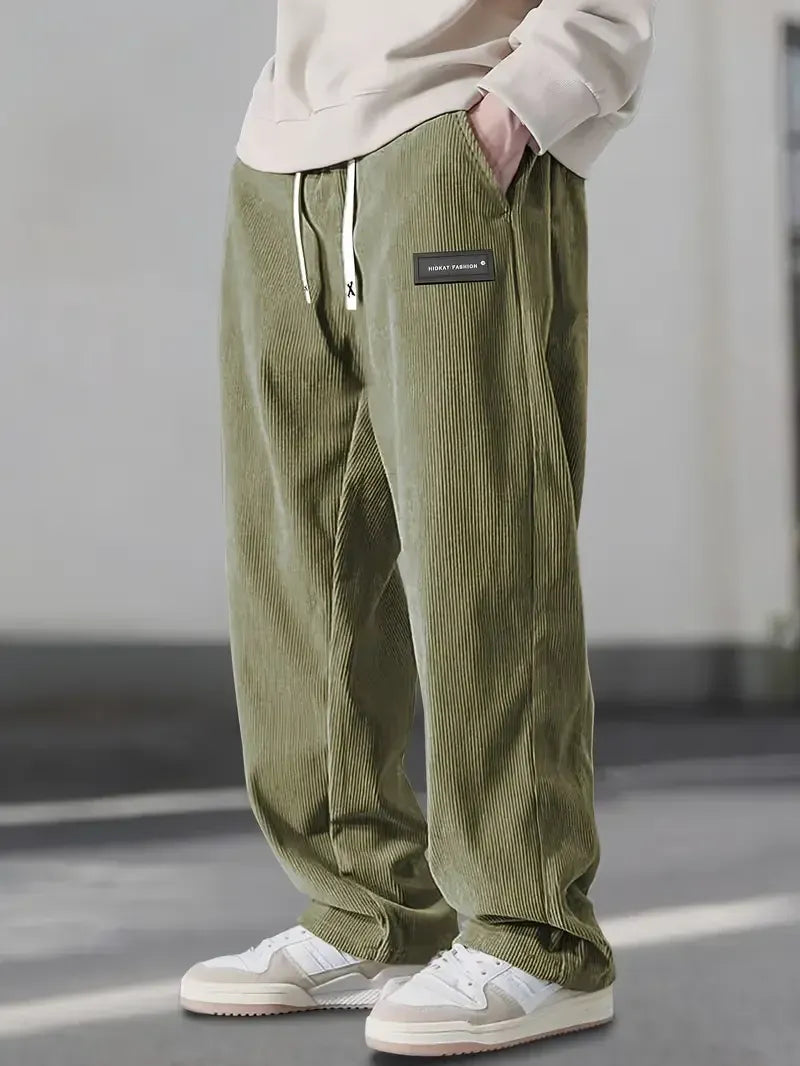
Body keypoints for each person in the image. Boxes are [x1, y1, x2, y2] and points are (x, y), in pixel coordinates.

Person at [180, 1, 655, 1056]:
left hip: (449, 139)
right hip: (283, 160)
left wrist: (517, 108)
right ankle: (369, 911)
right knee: (297, 563)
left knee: (482, 545)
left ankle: (535, 934)